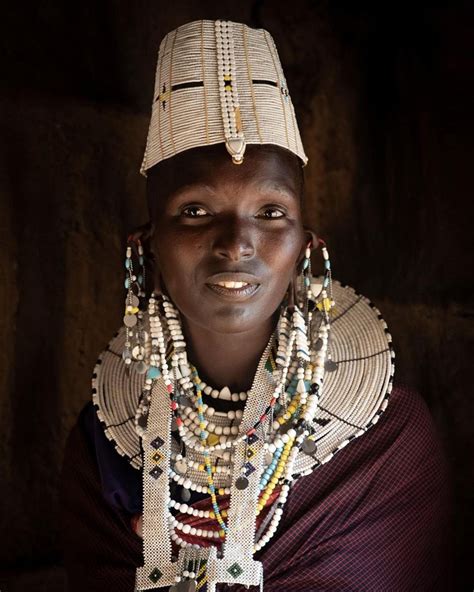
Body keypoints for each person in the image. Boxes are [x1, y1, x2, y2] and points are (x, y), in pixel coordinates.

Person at [59, 19, 454, 591]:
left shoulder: (387, 445)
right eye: (195, 211)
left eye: (271, 212)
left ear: (306, 246)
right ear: (144, 247)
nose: (236, 243)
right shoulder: (103, 452)